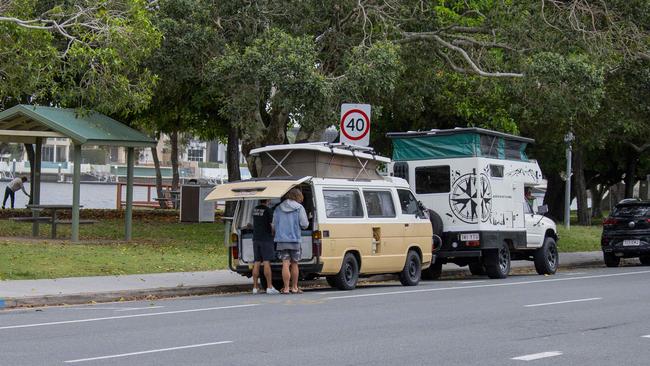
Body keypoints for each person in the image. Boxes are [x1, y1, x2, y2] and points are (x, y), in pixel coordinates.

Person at [273, 188, 308, 294]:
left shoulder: (278, 208)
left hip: (281, 240)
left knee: (285, 264)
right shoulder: (299, 208)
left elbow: (274, 225)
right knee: (294, 264)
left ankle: (286, 288)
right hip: (295, 239)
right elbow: (304, 224)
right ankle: (295, 287)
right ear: (298, 197)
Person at [251, 199, 279, 294]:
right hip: (266, 239)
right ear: (268, 200)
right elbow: (272, 225)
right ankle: (269, 287)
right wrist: (274, 233)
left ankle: (255, 287)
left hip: (256, 238)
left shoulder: (255, 209)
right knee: (266, 262)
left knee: (257, 262)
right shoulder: (268, 210)